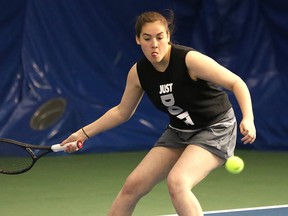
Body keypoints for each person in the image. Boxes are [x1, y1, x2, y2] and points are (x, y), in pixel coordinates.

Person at [62, 11, 256, 216]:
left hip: (215, 128)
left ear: (168, 37)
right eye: (147, 38)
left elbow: (236, 83)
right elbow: (121, 112)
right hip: (179, 131)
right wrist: (83, 133)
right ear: (138, 40)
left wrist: (248, 118)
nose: (154, 44)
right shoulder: (139, 72)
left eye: (159, 37)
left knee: (178, 182)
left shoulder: (189, 60)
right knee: (132, 187)